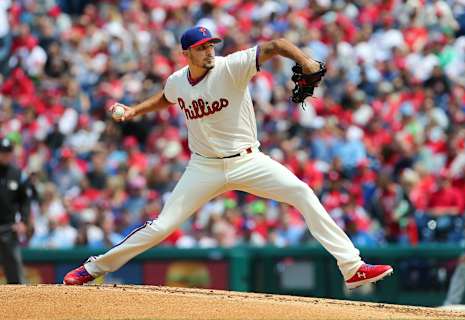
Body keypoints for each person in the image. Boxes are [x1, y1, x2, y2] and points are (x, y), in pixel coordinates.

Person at [64, 26, 393, 288]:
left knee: (303, 194)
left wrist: (305, 61)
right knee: (161, 226)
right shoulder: (178, 80)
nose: (209, 51)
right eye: (201, 48)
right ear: (187, 53)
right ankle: (93, 268)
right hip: (203, 166)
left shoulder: (231, 67)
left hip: (248, 161)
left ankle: (352, 267)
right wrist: (134, 109)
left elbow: (276, 44)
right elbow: (166, 97)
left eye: (211, 46)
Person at [0, 137, 32, 284]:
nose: (5, 155)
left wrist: (24, 221)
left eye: (8, 152)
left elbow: (25, 201)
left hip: (8, 227)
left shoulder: (17, 174)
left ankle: (20, 302)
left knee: (14, 269)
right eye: (2, 152)